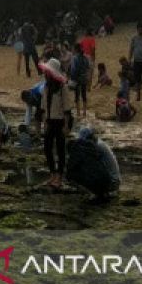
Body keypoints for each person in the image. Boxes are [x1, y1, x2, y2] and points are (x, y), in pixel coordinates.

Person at [40, 58, 68, 188]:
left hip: (60, 121)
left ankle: (59, 176)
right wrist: (44, 121)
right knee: (47, 148)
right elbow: (44, 106)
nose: (45, 74)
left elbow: (67, 108)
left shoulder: (62, 87)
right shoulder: (46, 86)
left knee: (61, 149)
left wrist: (66, 125)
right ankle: (52, 174)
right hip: (50, 120)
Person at [68, 43, 90, 117]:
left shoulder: (75, 58)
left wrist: (72, 78)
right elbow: (88, 67)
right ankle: (84, 112)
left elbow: (73, 70)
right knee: (84, 95)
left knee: (77, 95)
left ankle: (78, 113)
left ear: (75, 49)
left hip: (77, 79)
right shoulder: (85, 57)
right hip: (84, 78)